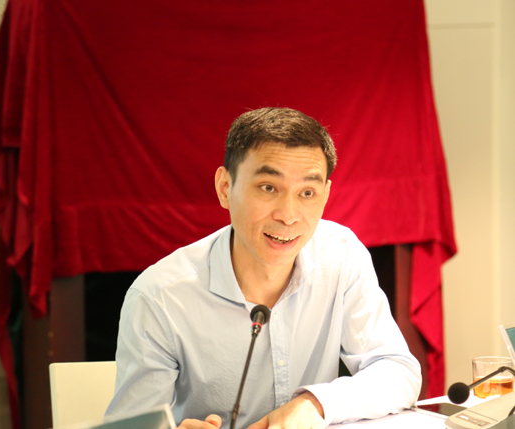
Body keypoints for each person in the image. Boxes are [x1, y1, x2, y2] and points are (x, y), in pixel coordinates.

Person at [106, 107, 422, 429]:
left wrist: (316, 404)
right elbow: (131, 427)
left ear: (325, 195)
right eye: (268, 188)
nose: (288, 215)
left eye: (307, 193)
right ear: (225, 187)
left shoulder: (341, 254)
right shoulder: (158, 297)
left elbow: (397, 370)